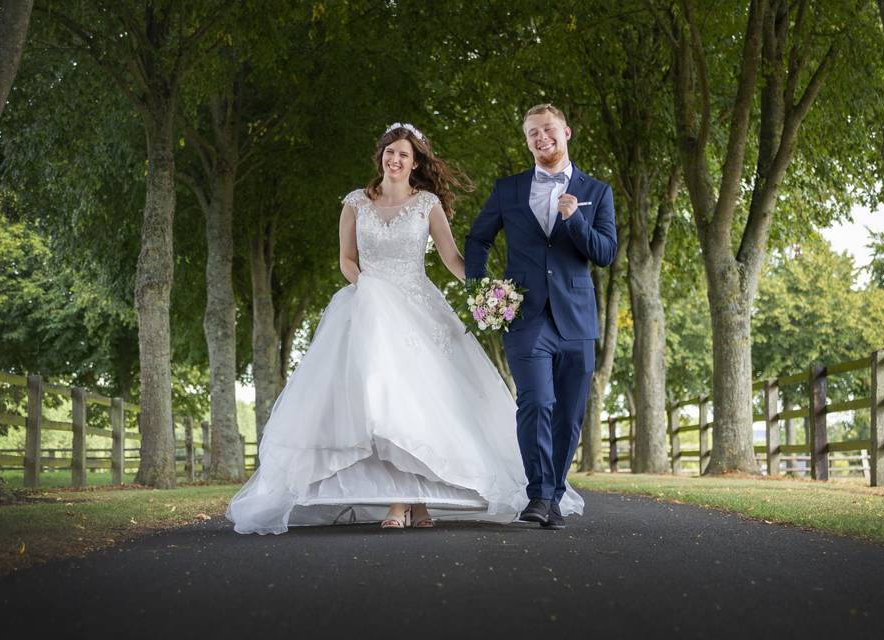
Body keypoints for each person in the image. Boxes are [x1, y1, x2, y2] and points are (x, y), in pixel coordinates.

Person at [226, 122, 564, 532]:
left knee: (419, 402)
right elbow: (347, 260)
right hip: (368, 302)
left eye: (404, 154)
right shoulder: (355, 202)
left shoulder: (427, 204)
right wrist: (367, 287)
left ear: (415, 161)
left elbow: (452, 259)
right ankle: (405, 501)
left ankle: (413, 502)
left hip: (419, 306)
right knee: (377, 398)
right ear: (381, 157)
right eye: (390, 152)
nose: (395, 159)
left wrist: (486, 292)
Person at [465, 104, 617, 530]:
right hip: (525, 316)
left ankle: (553, 493)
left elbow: (605, 254)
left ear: (565, 132)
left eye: (548, 129)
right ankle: (538, 495)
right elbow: (477, 239)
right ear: (528, 139)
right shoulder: (508, 189)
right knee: (536, 402)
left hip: (577, 318)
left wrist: (575, 218)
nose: (541, 138)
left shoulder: (598, 192)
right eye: (533, 133)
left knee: (569, 413)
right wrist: (482, 291)